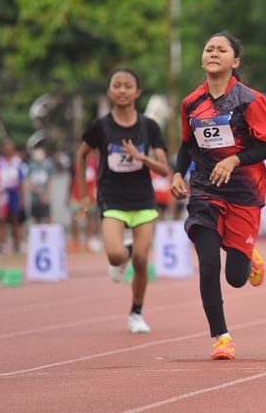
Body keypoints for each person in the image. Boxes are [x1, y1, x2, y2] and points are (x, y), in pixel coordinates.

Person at [171, 31, 266, 360]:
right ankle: (221, 337)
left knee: (236, 278)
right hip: (204, 190)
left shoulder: (249, 99)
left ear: (235, 61)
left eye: (221, 49)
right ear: (202, 58)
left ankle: (249, 257)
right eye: (208, 49)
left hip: (244, 191)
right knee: (208, 263)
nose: (213, 53)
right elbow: (188, 145)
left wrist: (233, 159)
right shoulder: (191, 103)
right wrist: (177, 173)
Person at [76, 68, 170, 333]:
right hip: (112, 196)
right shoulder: (101, 126)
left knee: (141, 260)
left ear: (137, 92)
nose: (122, 90)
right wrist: (84, 194)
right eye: (116, 85)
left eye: (128, 86)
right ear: (109, 91)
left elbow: (164, 169)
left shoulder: (148, 126)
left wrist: (141, 158)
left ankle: (136, 313)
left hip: (142, 198)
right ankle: (124, 252)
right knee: (116, 256)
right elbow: (81, 155)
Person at [0, 139, 26, 254]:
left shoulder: (17, 162)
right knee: (1, 220)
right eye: (5, 147)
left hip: (14, 194)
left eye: (10, 147)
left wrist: (22, 199)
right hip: (2, 195)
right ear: (2, 149)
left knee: (15, 221)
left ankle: (17, 245)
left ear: (13, 149)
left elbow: (21, 182)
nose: (8, 149)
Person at [26, 147, 55, 224]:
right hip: (35, 198)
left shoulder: (48, 165)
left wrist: (48, 195)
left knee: (48, 216)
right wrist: (37, 190)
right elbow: (28, 183)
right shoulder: (30, 165)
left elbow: (50, 181)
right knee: (36, 218)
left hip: (45, 197)